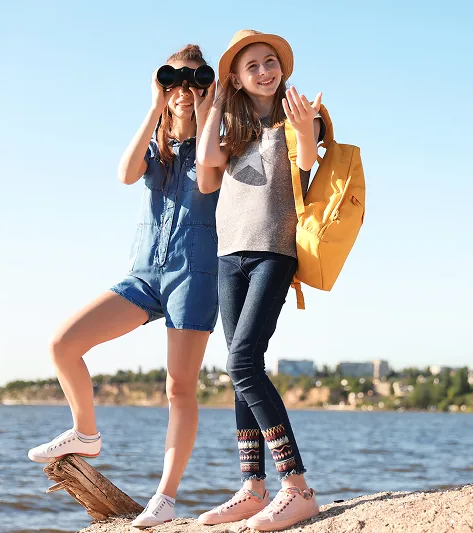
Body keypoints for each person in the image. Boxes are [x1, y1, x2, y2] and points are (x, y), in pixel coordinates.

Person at [27, 44, 222, 529]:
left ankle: (166, 496)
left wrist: (205, 107)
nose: (183, 89)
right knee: (63, 343)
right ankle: (86, 433)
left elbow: (207, 182)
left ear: (209, 86)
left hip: (193, 276)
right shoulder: (157, 148)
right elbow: (125, 173)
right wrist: (156, 105)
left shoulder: (220, 144)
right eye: (174, 80)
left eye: (194, 80)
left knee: (179, 388)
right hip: (144, 275)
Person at [195, 30, 322, 531]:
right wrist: (220, 98)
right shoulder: (233, 124)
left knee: (242, 360)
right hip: (230, 253)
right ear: (238, 77)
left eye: (272, 62)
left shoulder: (299, 111)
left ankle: (296, 486)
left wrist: (306, 128)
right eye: (253, 66)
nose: (266, 71)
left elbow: (309, 164)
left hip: (275, 250)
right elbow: (206, 160)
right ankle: (252, 486)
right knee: (240, 371)